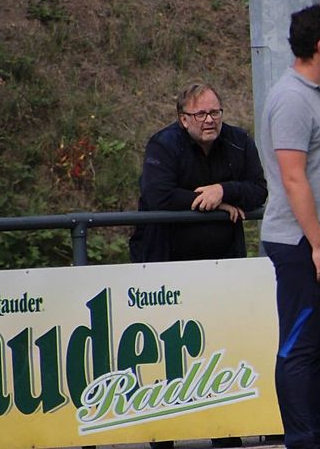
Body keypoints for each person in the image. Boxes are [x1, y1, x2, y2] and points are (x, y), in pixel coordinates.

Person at [129, 83, 267, 449]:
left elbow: (258, 189)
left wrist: (224, 189)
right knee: (166, 354)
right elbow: (158, 195)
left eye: (215, 112)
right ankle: (164, 434)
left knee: (222, 345)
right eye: (201, 114)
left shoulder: (239, 141)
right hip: (165, 264)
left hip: (222, 266)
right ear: (183, 119)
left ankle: (226, 429)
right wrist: (213, 202)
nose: (210, 120)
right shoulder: (163, 145)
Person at [258, 4, 320, 449]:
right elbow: (293, 177)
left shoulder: (318, 93)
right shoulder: (291, 99)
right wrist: (318, 244)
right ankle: (301, 441)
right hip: (301, 244)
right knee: (300, 347)